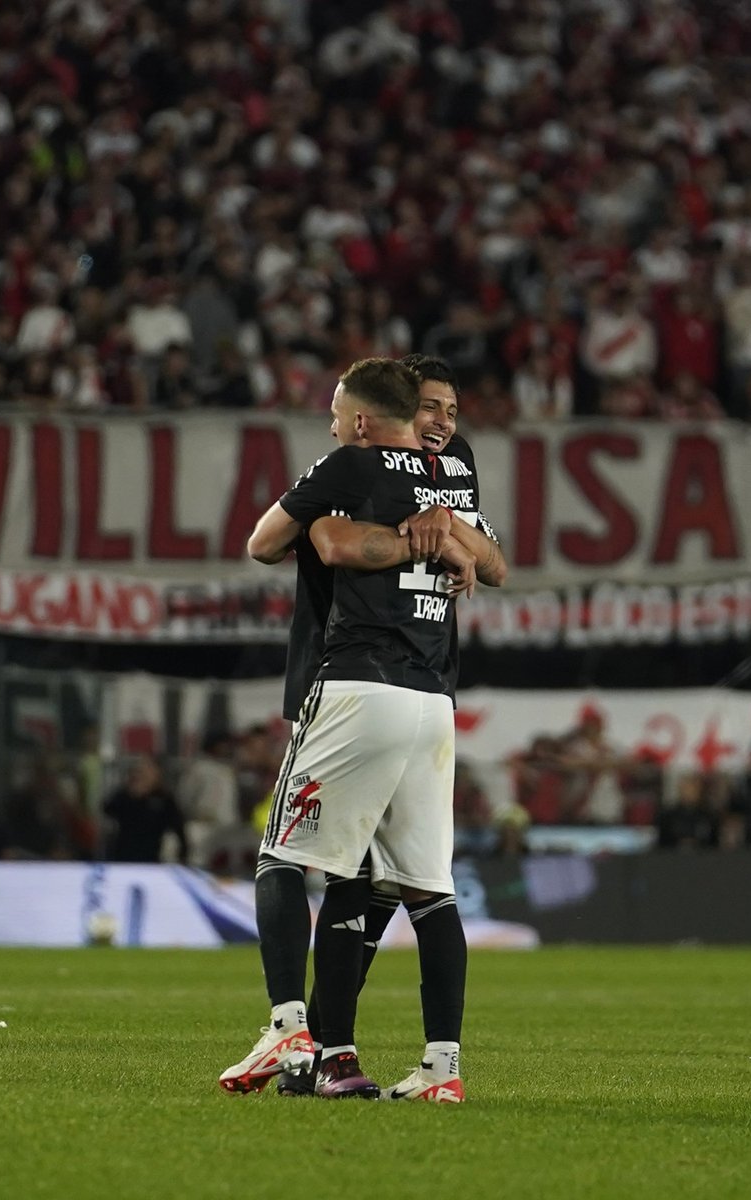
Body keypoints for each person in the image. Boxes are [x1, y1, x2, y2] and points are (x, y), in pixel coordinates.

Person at [230, 354, 504, 1101]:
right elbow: (492, 560)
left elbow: (293, 543)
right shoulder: (450, 476)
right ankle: (408, 1065)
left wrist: (437, 534)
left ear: (355, 419)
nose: (443, 422)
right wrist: (444, 537)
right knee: (420, 887)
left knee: (282, 856)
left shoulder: (352, 463)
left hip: (355, 684)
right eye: (432, 406)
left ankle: (292, 1028)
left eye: (452, 407)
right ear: (409, 408)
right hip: (431, 700)